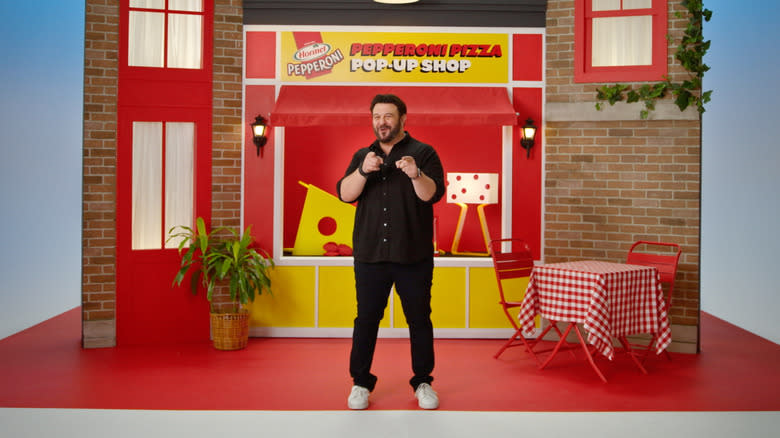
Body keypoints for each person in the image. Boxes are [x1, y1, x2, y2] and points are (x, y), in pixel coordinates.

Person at [336, 94, 446, 410]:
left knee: (419, 319)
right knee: (366, 320)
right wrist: (362, 171)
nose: (382, 122)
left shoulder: (424, 154)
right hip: (370, 256)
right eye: (376, 116)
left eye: (388, 116)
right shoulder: (362, 155)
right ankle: (360, 383)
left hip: (414, 256)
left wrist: (415, 174)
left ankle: (423, 382)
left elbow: (431, 195)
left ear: (403, 118)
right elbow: (345, 194)